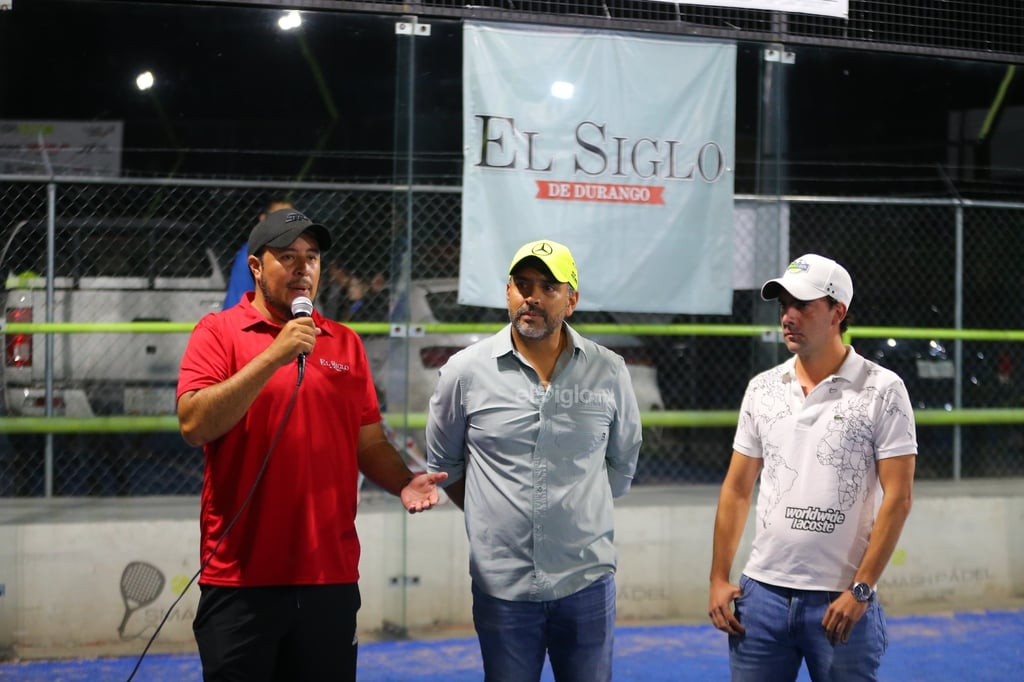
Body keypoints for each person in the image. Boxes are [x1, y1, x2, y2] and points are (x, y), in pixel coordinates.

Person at [177, 208, 448, 682]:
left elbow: (368, 441)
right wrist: (274, 354)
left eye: (312, 257)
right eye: (287, 256)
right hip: (241, 579)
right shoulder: (217, 333)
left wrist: (402, 480)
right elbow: (196, 424)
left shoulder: (344, 344)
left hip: (329, 577)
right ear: (256, 267)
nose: (304, 268)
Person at [425, 239, 642, 682]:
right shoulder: (464, 372)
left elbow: (620, 467)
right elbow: (446, 464)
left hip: (586, 580)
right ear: (508, 292)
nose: (533, 297)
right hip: (502, 586)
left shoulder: (609, 371)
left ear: (572, 299)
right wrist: (497, 517)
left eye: (548, 286)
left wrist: (573, 515)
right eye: (522, 285)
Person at [708, 253, 917, 682]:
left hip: (840, 598)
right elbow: (736, 489)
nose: (788, 316)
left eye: (803, 305)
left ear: (838, 312)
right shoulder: (762, 389)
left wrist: (861, 590)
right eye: (784, 305)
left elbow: (898, 498)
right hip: (761, 597)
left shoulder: (883, 389)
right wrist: (717, 576)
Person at [222, 197, 294, 309]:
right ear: (263, 219)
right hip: (242, 321)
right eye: (278, 216)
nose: (285, 222)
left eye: (290, 217)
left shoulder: (277, 248)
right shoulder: (258, 250)